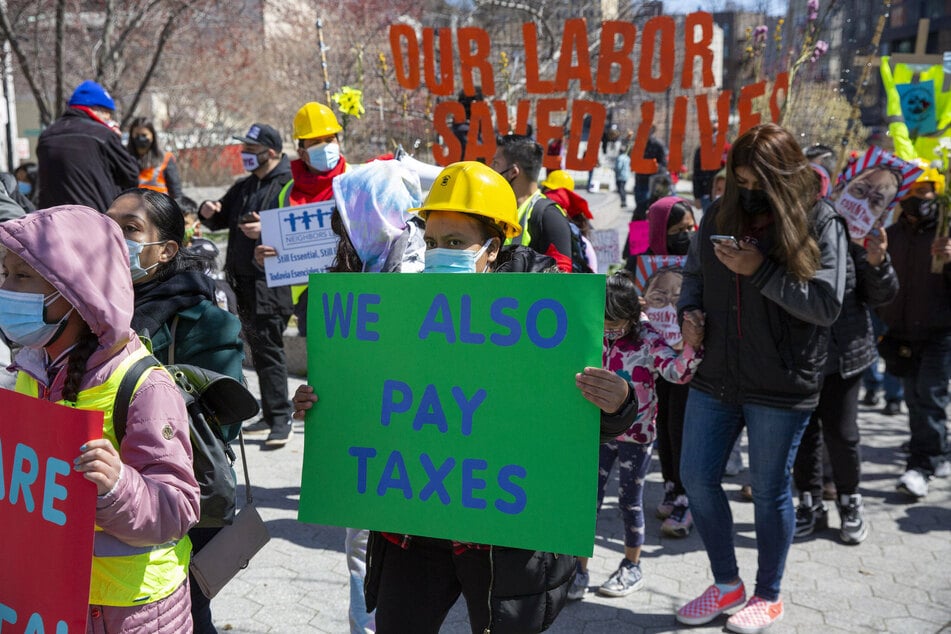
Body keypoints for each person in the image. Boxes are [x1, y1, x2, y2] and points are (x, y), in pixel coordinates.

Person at [292, 161, 639, 634]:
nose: (437, 254)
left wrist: (618, 402)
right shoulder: (400, 301)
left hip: (505, 542)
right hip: (413, 532)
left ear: (494, 247)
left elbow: (582, 419)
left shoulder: (546, 309)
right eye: (431, 242)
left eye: (455, 244)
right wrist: (327, 403)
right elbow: (378, 396)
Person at [675, 123, 847, 632]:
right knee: (697, 478)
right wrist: (689, 312)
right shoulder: (718, 213)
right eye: (739, 180)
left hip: (782, 381)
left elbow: (826, 303)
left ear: (782, 174)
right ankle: (727, 583)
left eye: (756, 182)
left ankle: (769, 595)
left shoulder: (821, 219)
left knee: (770, 489)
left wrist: (761, 271)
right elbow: (695, 274)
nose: (747, 192)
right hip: (717, 374)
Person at [0, 205, 199, 631]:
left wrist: (116, 486)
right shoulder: (30, 369)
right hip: (49, 596)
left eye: (21, 277)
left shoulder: (146, 386)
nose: (6, 289)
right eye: (4, 274)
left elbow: (178, 507)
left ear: (74, 292)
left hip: (131, 609)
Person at [106, 188, 245, 632]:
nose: (114, 237)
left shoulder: (205, 319)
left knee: (184, 605)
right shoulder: (92, 307)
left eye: (129, 229)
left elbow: (227, 418)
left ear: (166, 250)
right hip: (108, 489)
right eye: (108, 225)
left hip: (177, 491)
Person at [569, 269, 703, 601]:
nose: (610, 330)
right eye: (605, 322)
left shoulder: (648, 338)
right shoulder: (589, 332)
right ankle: (579, 569)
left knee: (630, 503)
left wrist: (692, 347)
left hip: (637, 437)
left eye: (617, 323)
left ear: (635, 314)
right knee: (588, 503)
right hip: (596, 433)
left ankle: (632, 566)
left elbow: (676, 372)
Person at [792, 177, 899, 543]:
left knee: (843, 434)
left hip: (846, 356)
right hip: (800, 357)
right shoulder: (790, 236)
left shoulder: (855, 236)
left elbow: (882, 295)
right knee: (804, 435)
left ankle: (850, 502)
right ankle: (808, 503)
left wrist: (876, 260)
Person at [199, 122, 294, 447]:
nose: (245, 156)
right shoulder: (245, 186)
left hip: (271, 282)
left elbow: (295, 231)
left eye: (250, 151)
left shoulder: (289, 184)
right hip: (242, 281)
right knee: (257, 349)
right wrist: (208, 210)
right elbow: (219, 218)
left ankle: (281, 418)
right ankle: (269, 413)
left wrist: (265, 230)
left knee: (270, 348)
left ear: (269, 152)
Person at [878, 163, 951, 499]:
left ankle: (922, 464)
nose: (917, 198)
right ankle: (936, 449)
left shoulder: (946, 235)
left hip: (939, 332)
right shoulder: (888, 236)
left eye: (924, 191)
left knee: (930, 395)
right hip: (901, 333)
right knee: (914, 398)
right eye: (910, 191)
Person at [36, 80, 139, 212]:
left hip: (51, 222)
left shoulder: (46, 136)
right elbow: (131, 174)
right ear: (95, 109)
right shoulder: (103, 134)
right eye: (107, 112)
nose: (109, 117)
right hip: (94, 221)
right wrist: (116, 140)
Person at [492, 134, 575, 271]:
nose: (491, 170)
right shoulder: (501, 210)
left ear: (513, 172)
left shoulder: (550, 216)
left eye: (495, 163)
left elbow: (562, 282)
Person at [127, 116, 183, 200]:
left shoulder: (166, 158)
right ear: (131, 136)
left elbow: (176, 192)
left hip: (159, 208)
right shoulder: (125, 157)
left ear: (152, 135)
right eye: (137, 135)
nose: (140, 138)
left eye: (144, 135)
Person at [633, 125, 667, 213]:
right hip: (639, 181)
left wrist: (651, 166)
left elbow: (663, 165)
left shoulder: (658, 145)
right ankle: (640, 227)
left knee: (646, 211)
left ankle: (645, 226)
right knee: (639, 210)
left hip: (652, 184)